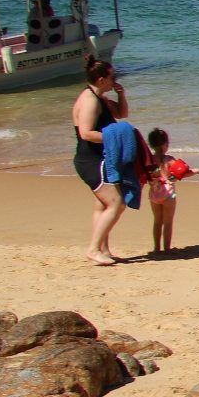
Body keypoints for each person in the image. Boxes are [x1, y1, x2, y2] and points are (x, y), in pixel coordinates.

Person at [72, 58, 129, 266]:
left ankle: (103, 249)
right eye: (113, 77)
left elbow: (122, 114)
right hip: (90, 160)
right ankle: (94, 249)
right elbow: (86, 133)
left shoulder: (100, 97)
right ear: (102, 79)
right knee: (116, 203)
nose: (115, 79)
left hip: (100, 158)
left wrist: (121, 94)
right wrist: (115, 137)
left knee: (102, 204)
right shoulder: (89, 101)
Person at [143, 127, 199, 254]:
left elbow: (144, 175)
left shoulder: (149, 160)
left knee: (157, 221)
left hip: (154, 193)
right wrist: (196, 171)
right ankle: (167, 249)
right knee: (168, 223)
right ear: (165, 144)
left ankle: (157, 248)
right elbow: (182, 173)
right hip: (168, 194)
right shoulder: (169, 159)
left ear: (151, 144)